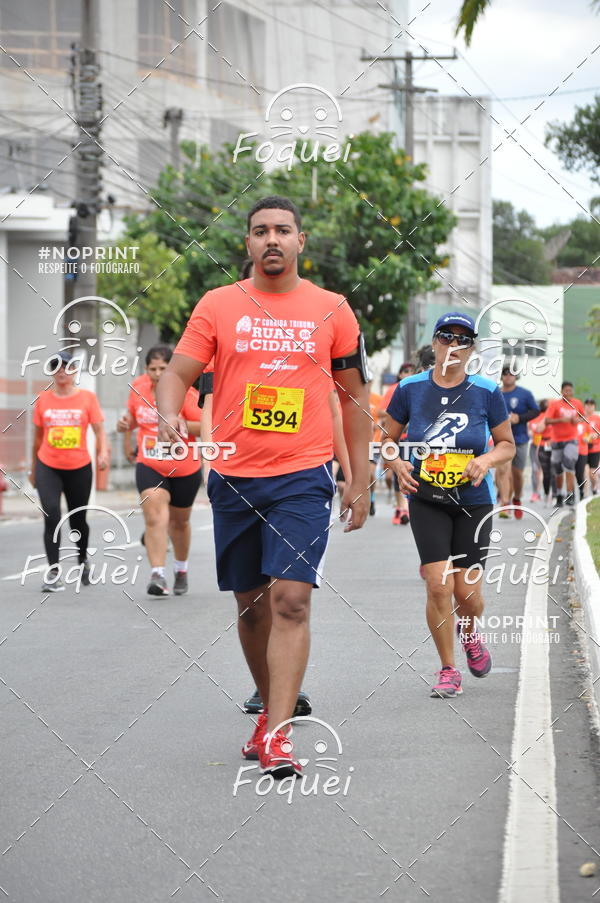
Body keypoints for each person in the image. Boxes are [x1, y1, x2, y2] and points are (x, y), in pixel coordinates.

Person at [156, 195, 371, 778]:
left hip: (303, 476)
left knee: (291, 601)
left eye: (282, 230)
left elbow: (352, 398)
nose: (271, 239)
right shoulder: (219, 305)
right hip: (232, 474)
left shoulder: (333, 310)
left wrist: (361, 477)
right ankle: (267, 707)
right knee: (252, 608)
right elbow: (176, 374)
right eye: (260, 231)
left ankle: (278, 735)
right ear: (246, 244)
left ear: (302, 241)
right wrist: (169, 413)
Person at [383, 312, 515, 698]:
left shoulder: (487, 391)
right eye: (447, 337)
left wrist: (486, 460)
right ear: (435, 343)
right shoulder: (410, 388)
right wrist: (395, 462)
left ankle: (470, 632)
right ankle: (447, 669)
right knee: (439, 585)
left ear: (472, 348)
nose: (454, 346)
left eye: (463, 340)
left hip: (473, 500)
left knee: (468, 595)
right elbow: (386, 436)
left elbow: (506, 444)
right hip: (428, 499)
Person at [117, 344, 202, 596]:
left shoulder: (186, 394)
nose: (157, 373)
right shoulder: (138, 390)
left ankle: (181, 568)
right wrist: (124, 432)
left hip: (185, 466)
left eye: (163, 368)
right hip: (150, 463)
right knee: (155, 517)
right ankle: (157, 574)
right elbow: (132, 420)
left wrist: (178, 422)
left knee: (179, 523)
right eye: (152, 368)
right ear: (146, 369)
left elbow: (205, 425)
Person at [30, 350, 108, 592]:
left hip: (79, 467)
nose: (62, 370)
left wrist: (103, 452)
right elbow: (37, 439)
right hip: (48, 465)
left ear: (75, 371)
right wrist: (34, 470)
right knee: (51, 514)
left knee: (77, 520)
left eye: (67, 366)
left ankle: (82, 559)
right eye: (56, 366)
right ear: (51, 371)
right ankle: (53, 572)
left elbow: (99, 431)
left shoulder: (87, 398)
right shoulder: (42, 399)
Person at [494, 367, 538, 519]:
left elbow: (535, 411)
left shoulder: (524, 394)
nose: (508, 376)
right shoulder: (495, 393)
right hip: (500, 439)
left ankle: (517, 499)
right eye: (505, 373)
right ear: (501, 376)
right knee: (502, 471)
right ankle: (505, 504)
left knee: (517, 475)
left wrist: (519, 418)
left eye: (511, 373)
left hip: (519, 439)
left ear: (516, 376)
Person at [379, 362, 416, 525]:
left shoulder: (418, 388)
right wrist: (398, 415)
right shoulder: (394, 389)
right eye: (405, 371)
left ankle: (406, 507)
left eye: (411, 371)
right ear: (400, 374)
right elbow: (380, 411)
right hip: (397, 438)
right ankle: (401, 507)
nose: (408, 373)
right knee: (395, 473)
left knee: (413, 470)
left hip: (413, 438)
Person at [545, 381, 585, 507]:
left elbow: (583, 417)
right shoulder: (555, 405)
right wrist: (560, 420)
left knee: (569, 463)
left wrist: (576, 420)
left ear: (572, 391)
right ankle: (559, 495)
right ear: (562, 392)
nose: (568, 393)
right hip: (557, 441)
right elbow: (547, 421)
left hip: (571, 439)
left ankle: (570, 494)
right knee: (557, 470)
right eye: (566, 390)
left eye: (570, 390)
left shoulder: (577, 403)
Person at [529, 400, 554, 505]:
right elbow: (530, 430)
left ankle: (551, 493)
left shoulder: (552, 418)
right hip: (535, 446)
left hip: (549, 446)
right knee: (535, 469)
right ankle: (536, 492)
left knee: (548, 471)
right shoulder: (534, 417)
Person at [575, 398, 600, 499]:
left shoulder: (597, 418)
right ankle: (585, 495)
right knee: (584, 472)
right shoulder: (581, 418)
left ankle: (594, 489)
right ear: (584, 406)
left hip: (595, 448)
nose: (589, 407)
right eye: (587, 405)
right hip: (583, 449)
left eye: (591, 405)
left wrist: (596, 435)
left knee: (592, 473)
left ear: (594, 407)